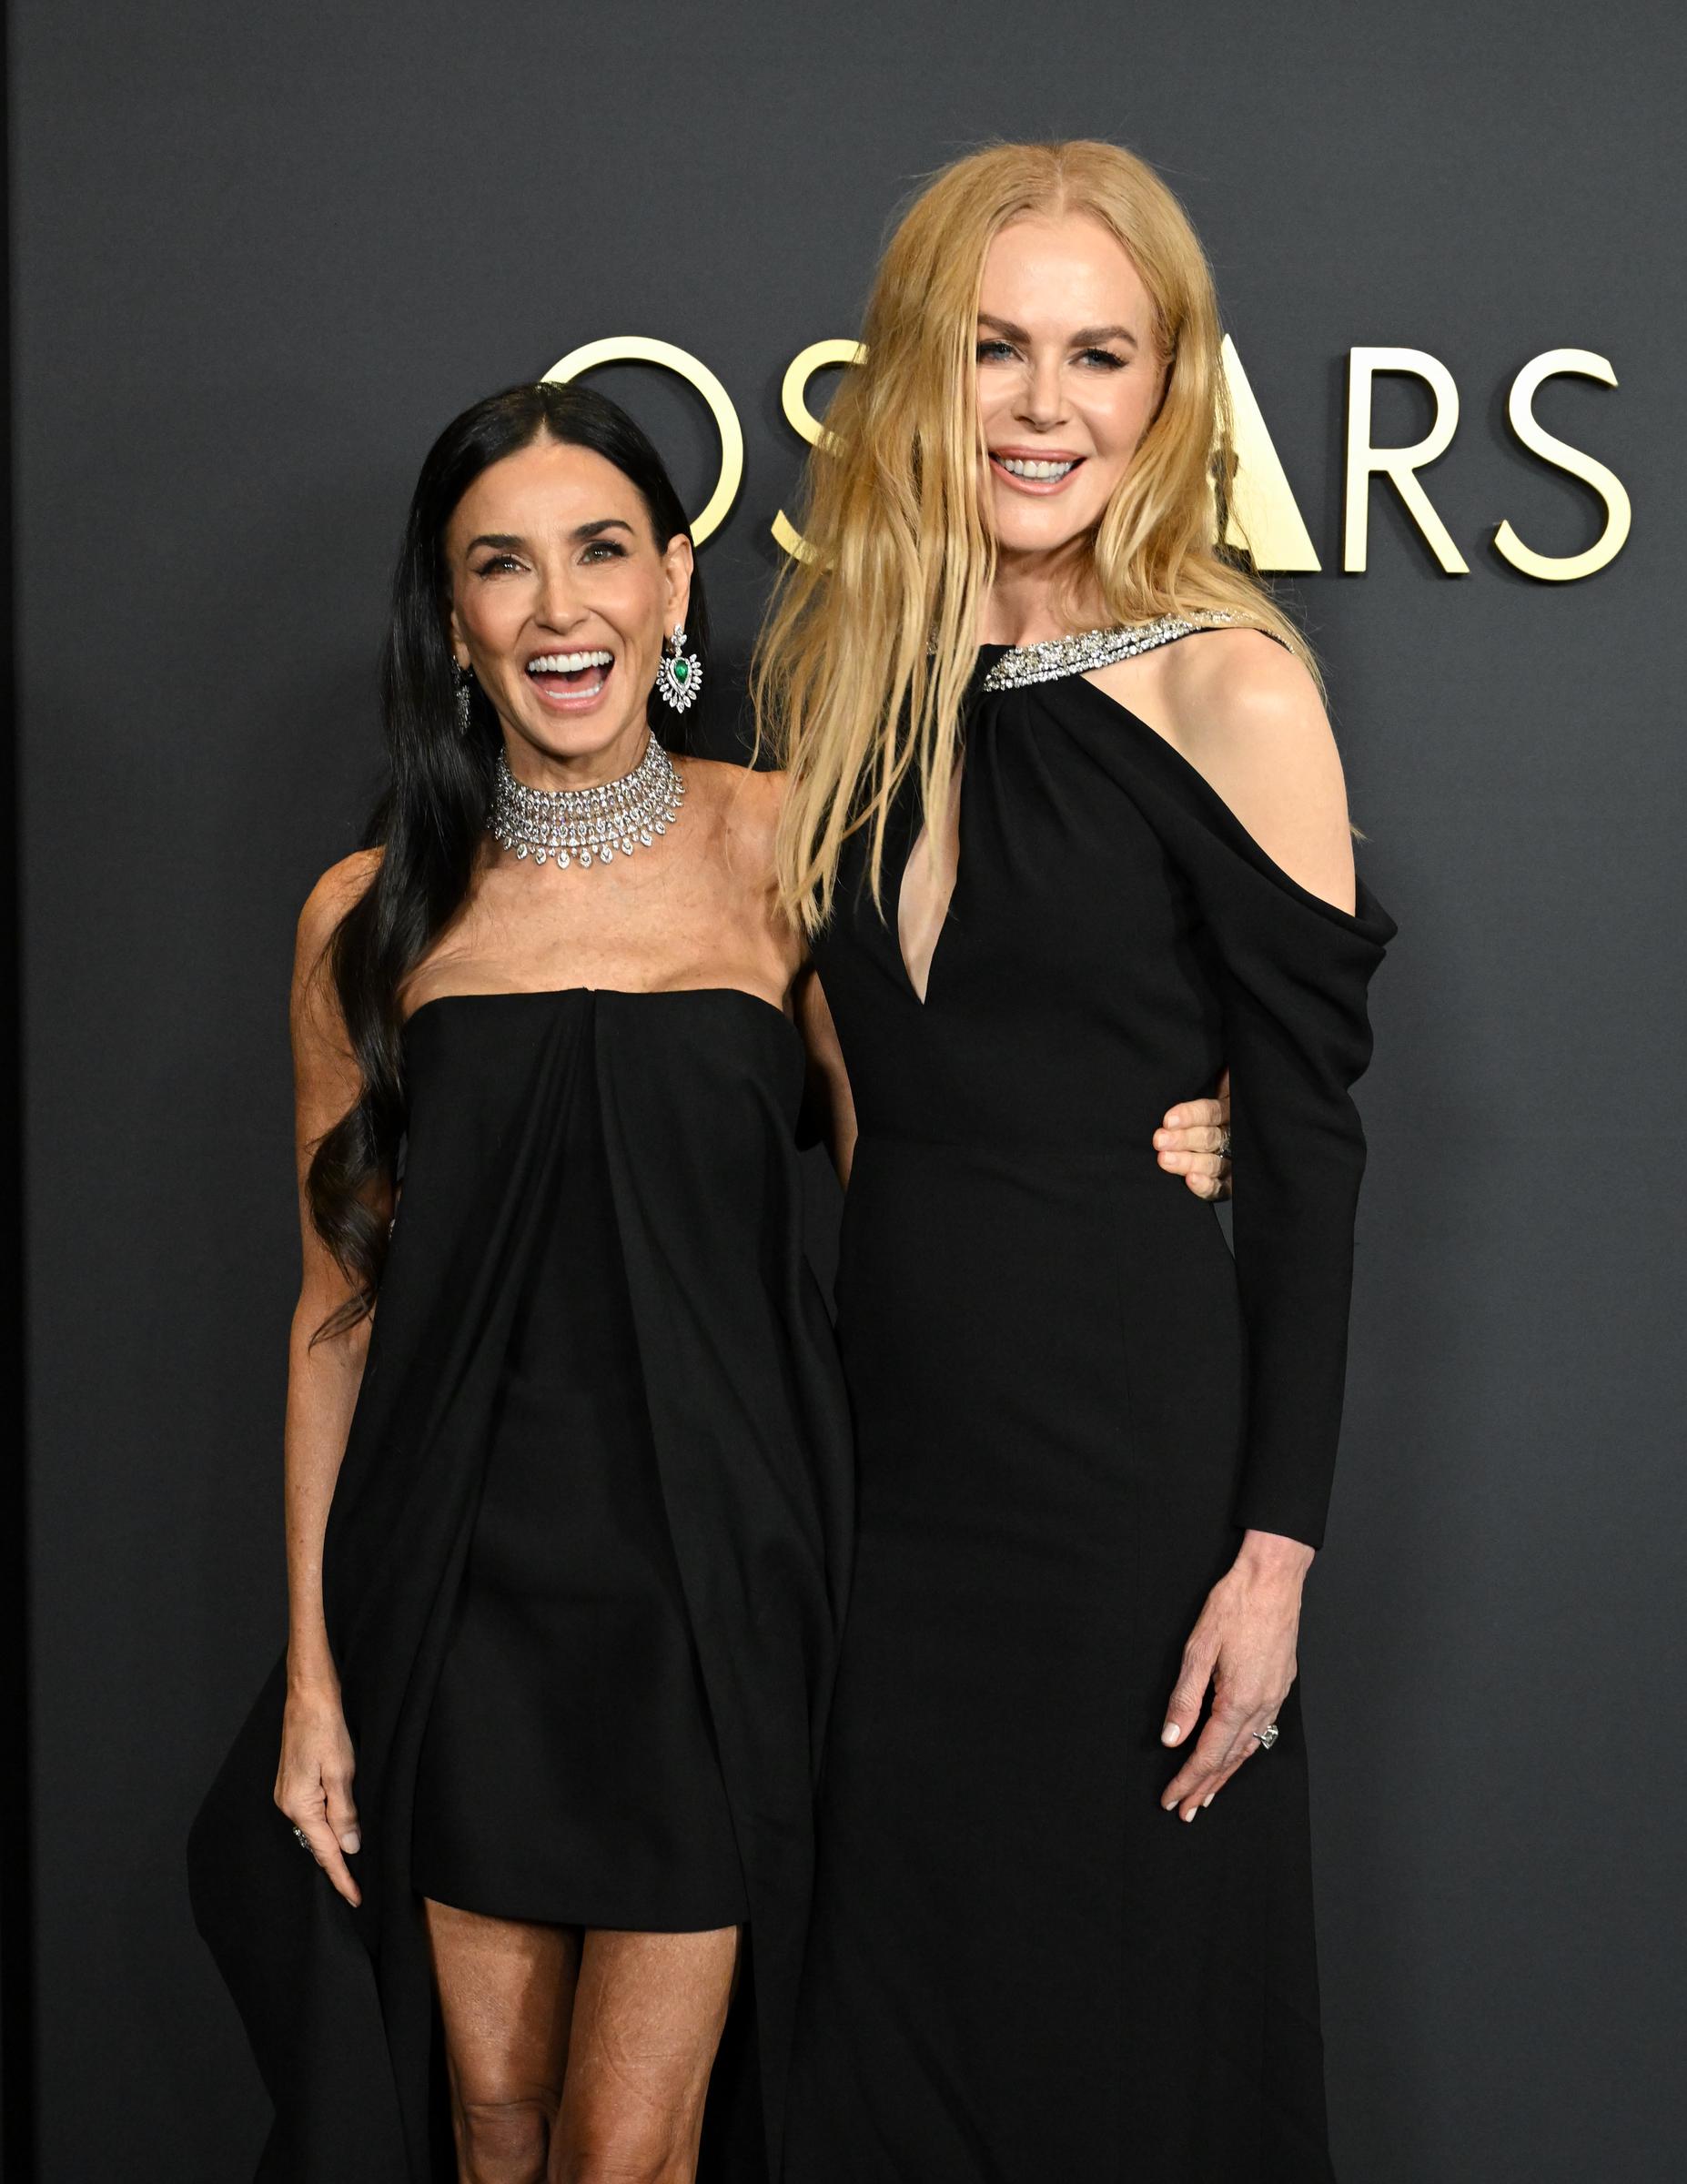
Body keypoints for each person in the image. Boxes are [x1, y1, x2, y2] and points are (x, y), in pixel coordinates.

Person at [757, 140, 1398, 2180]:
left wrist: (1274, 1558)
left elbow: (1309, 1142)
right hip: (883, 1482)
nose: (1044, 405)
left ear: (1168, 389)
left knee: (1125, 2046)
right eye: (996, 348)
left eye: (1098, 355)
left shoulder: (1233, 685)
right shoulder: (842, 677)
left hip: (1130, 1490)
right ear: (918, 377)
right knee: (879, 2041)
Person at [187, 380, 856, 2184]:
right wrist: (320, 1682)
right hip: (459, 1591)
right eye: (505, 568)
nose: (560, 609)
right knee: (489, 2127)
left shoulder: (797, 854)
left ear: (674, 585)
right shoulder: (370, 911)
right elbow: (339, 1322)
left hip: (715, 1600)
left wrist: (1206, 1124)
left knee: (628, 2151)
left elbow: (938, 1203)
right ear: (454, 617)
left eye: (600, 554)